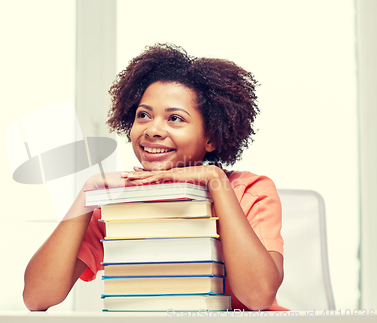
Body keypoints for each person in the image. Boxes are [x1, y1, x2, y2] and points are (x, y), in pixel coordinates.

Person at [22, 43, 286, 311]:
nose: (153, 129)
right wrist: (87, 192)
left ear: (211, 137)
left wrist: (213, 178)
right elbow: (37, 296)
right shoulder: (116, 204)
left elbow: (258, 297)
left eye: (175, 118)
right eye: (144, 115)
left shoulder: (250, 191)